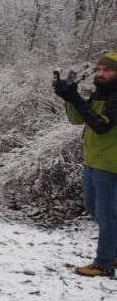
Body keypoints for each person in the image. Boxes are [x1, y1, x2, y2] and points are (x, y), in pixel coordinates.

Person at [54, 50, 117, 278]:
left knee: (107, 213)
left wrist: (77, 100)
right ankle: (113, 252)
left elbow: (101, 125)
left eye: (107, 70)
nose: (101, 73)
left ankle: (104, 263)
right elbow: (79, 119)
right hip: (93, 160)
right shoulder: (101, 94)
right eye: (99, 69)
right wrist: (69, 98)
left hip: (110, 164)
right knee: (94, 208)